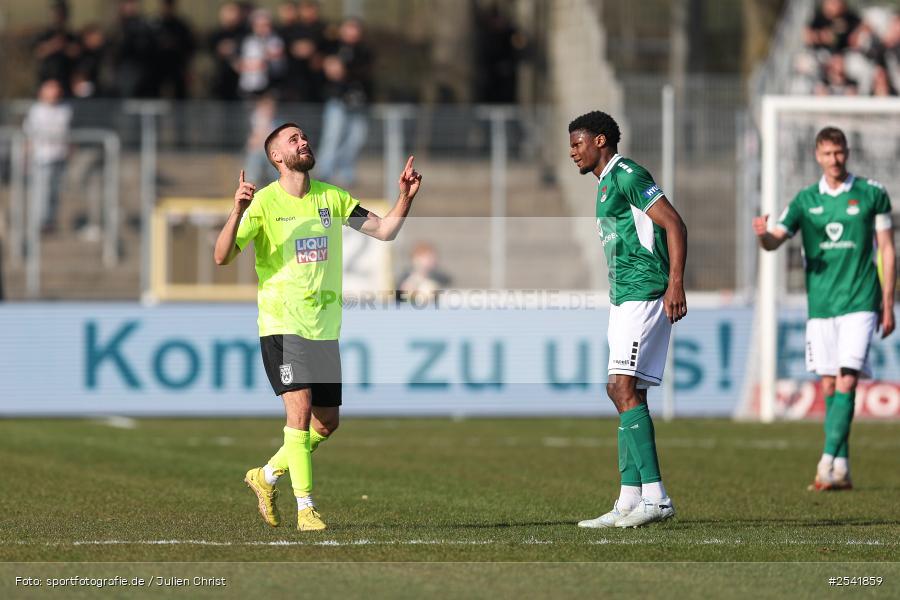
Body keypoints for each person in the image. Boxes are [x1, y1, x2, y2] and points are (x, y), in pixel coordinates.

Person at [213, 123, 422, 531]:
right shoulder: (264, 203)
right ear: (276, 157)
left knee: (326, 424)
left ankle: (267, 475)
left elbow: (384, 230)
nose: (304, 141)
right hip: (282, 322)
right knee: (300, 410)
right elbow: (222, 256)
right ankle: (306, 509)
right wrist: (237, 210)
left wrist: (404, 199)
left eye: (304, 136)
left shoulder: (332, 197)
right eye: (293, 140)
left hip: (323, 328)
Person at [752, 126, 895, 491]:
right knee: (830, 384)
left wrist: (888, 301)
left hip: (861, 301)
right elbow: (774, 242)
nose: (835, 160)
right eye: (828, 154)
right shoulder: (804, 201)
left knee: (847, 377)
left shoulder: (871, 194)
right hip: (821, 307)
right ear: (818, 156)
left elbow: (886, 249)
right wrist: (762, 234)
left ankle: (826, 461)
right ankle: (842, 467)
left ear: (847, 152)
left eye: (840, 152)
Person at [568, 111, 687, 529]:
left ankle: (656, 498)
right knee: (621, 389)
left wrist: (675, 283)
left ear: (601, 141)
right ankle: (628, 500)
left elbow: (674, 224)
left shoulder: (628, 174)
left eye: (577, 143)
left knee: (621, 387)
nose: (572, 152)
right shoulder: (604, 185)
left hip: (645, 293)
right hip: (622, 299)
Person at [315, 18, 374, 186]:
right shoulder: (332, 47)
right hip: (337, 100)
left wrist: (344, 70)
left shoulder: (364, 51)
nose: (351, 34)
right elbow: (323, 68)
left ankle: (345, 171)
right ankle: (324, 171)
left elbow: (365, 72)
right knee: (332, 136)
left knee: (356, 138)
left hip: (359, 102)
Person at [23, 79, 72, 234]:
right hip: (42, 157)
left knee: (54, 192)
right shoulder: (36, 110)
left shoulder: (65, 109)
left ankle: (50, 222)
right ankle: (39, 223)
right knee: (41, 192)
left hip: (59, 156)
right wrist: (26, 157)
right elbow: (29, 136)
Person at [31, 0, 80, 97]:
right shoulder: (45, 35)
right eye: (56, 14)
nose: (58, 17)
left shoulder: (71, 36)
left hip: (66, 81)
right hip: (46, 80)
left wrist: (64, 46)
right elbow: (38, 52)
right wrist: (53, 45)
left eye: (61, 14)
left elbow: (76, 52)